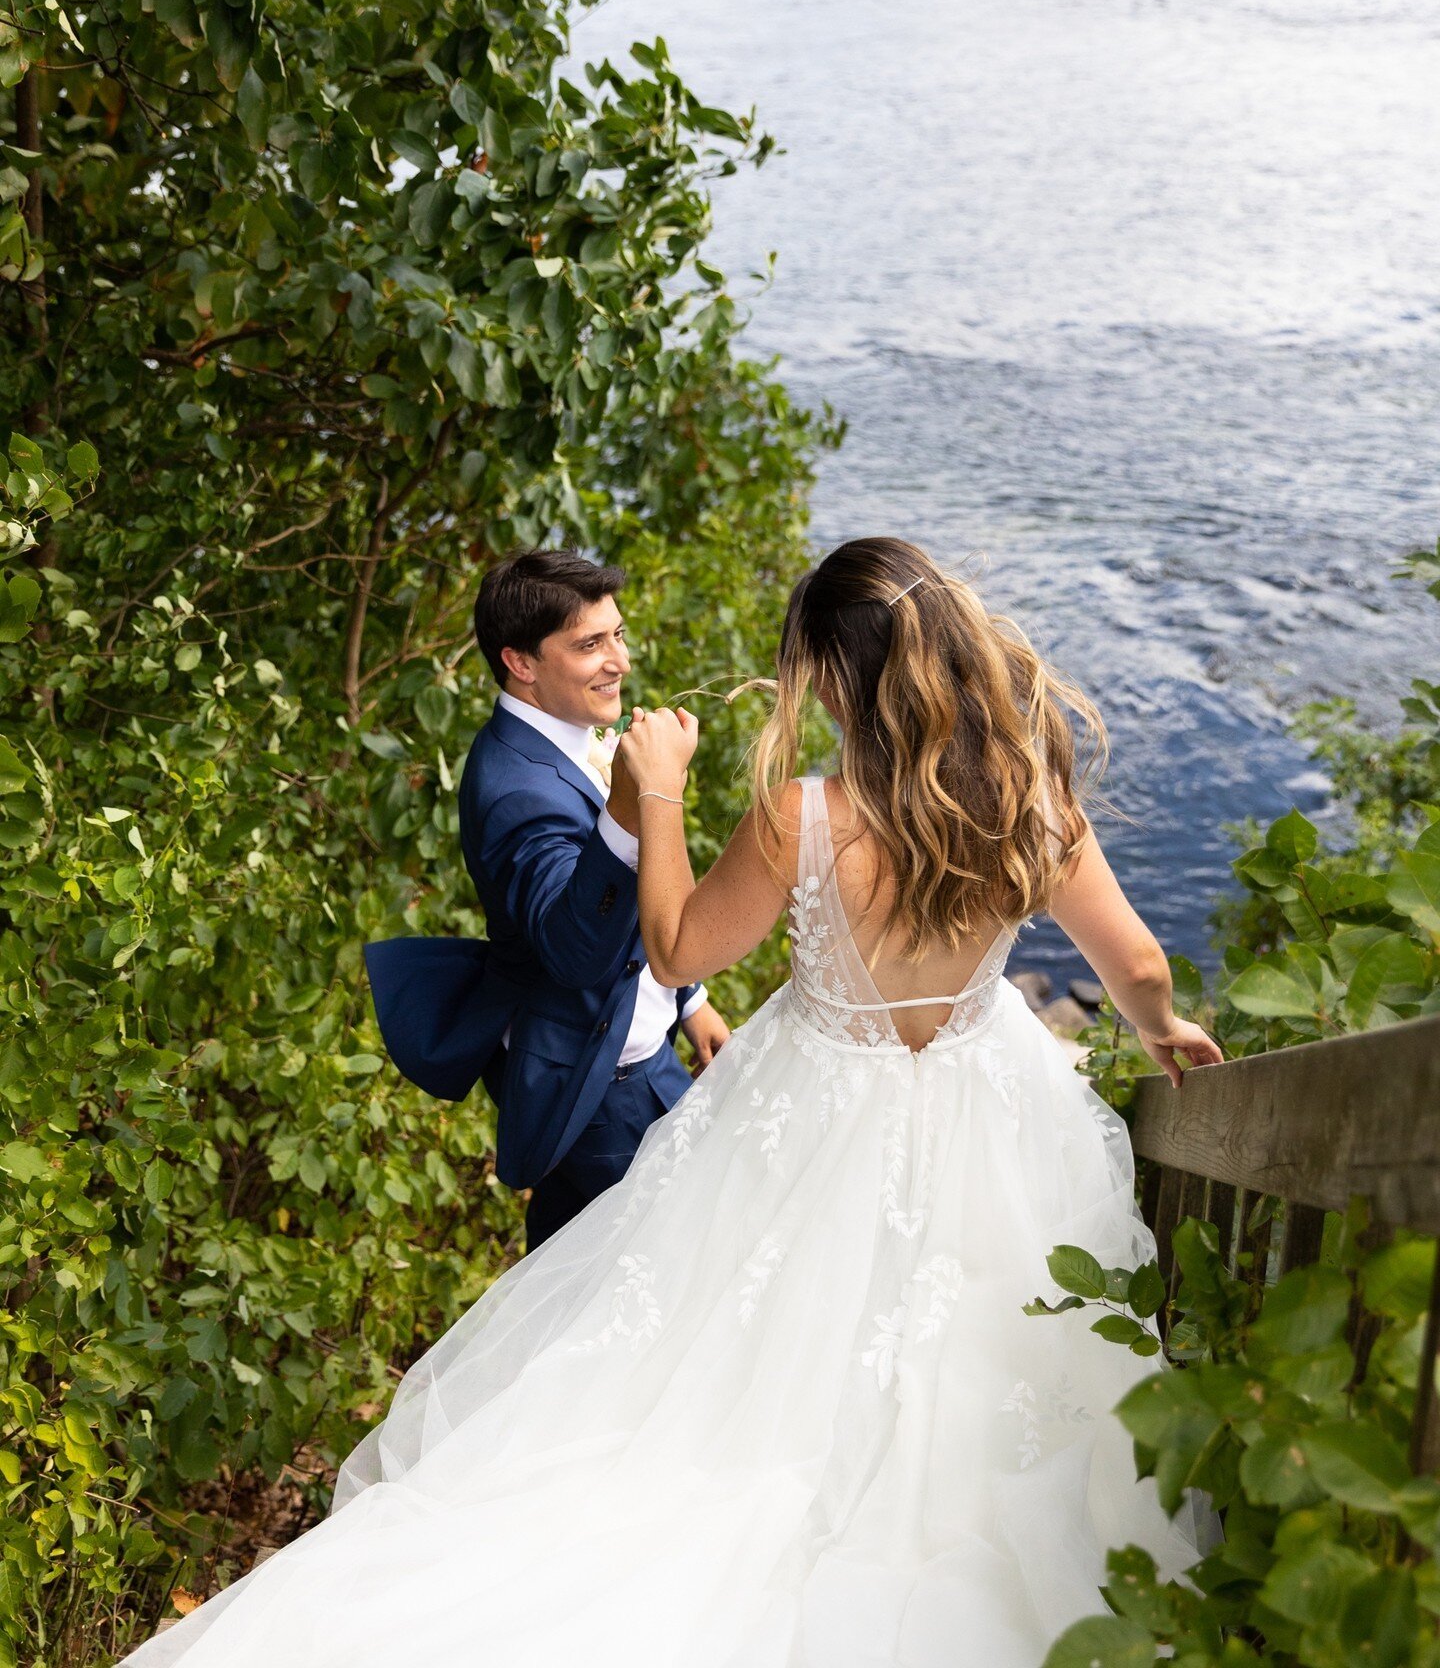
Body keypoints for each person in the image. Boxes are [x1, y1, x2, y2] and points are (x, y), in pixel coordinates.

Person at [126, 536, 1222, 1668]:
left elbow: (675, 939)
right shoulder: (1031, 802)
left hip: (817, 1115)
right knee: (983, 1361)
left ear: (838, 681)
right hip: (992, 1109)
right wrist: (1161, 1029)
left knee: (730, 1376)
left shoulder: (805, 818)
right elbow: (1134, 964)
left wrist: (658, 798)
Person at [364, 549, 730, 1250]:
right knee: (684, 1271)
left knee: (580, 1292)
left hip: (627, 1049)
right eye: (590, 644)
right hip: (599, 1088)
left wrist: (688, 1001)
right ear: (522, 663)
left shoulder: (558, 738)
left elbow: (619, 910)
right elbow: (569, 949)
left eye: (618, 634)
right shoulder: (514, 789)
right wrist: (638, 798)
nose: (618, 660)